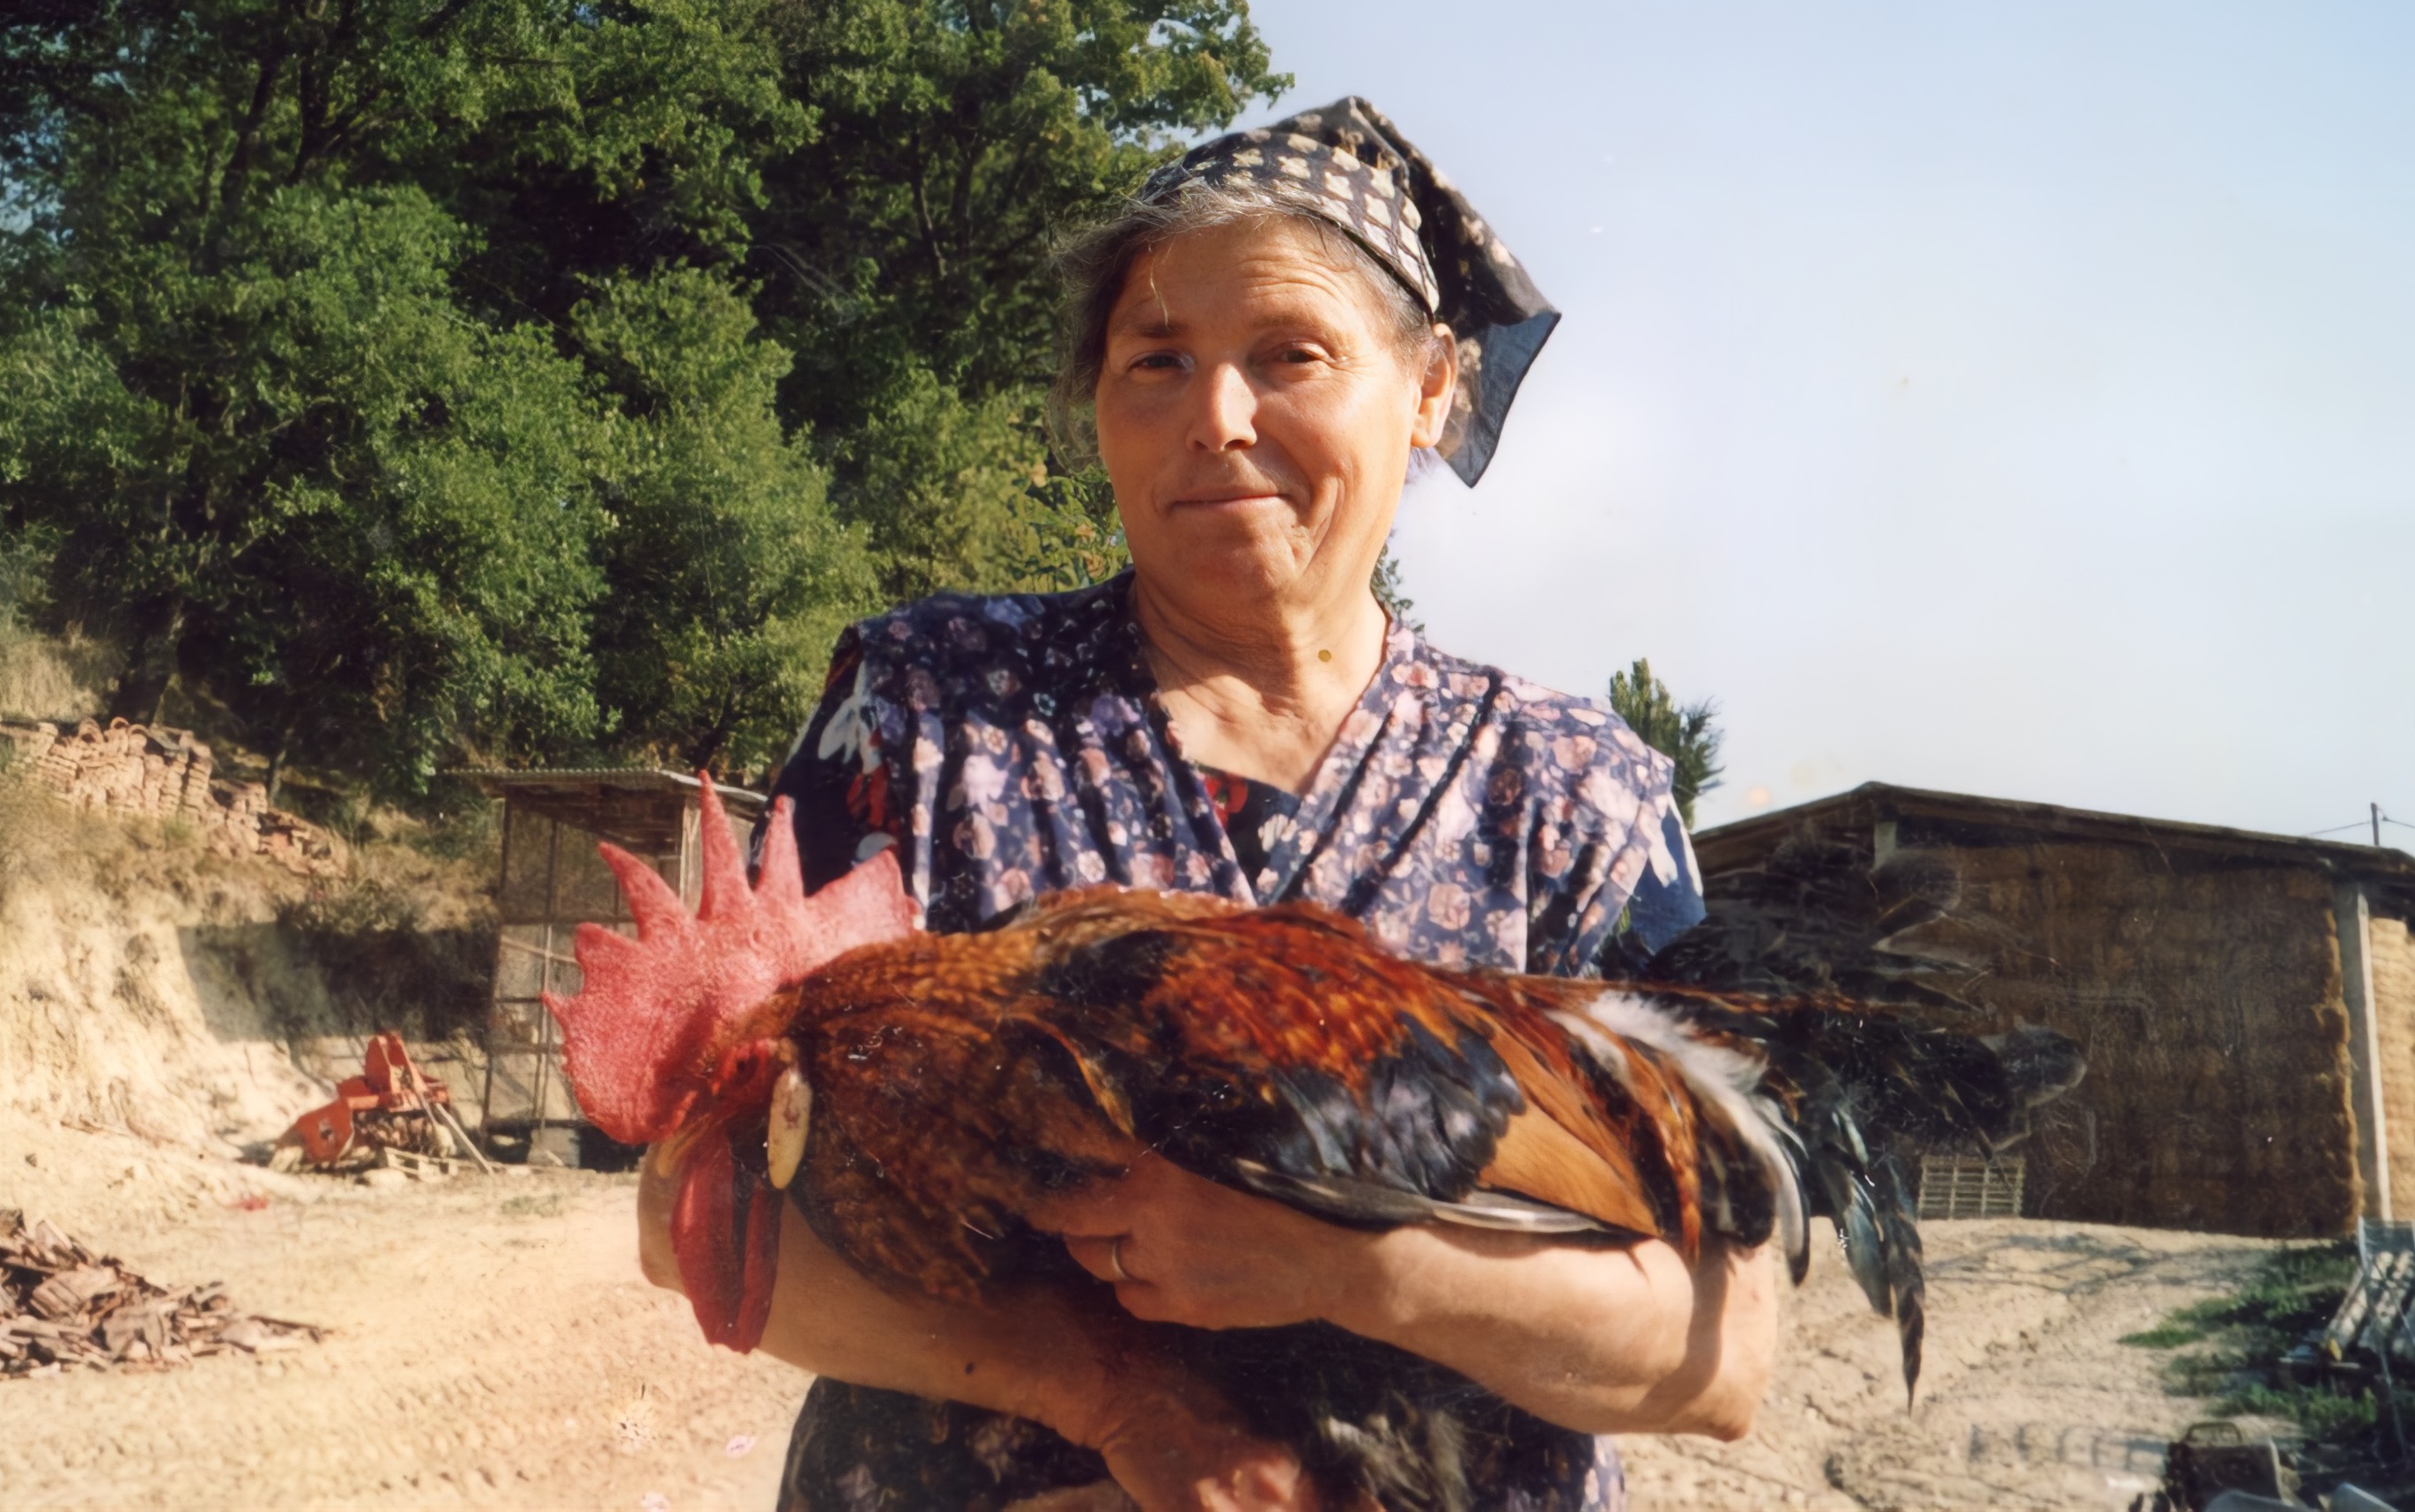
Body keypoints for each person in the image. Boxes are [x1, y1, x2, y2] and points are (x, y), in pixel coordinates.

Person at [637, 99, 1774, 1512]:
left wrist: (1352, 1265)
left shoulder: (1571, 789)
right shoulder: (924, 704)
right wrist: (1118, 1400)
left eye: (1290, 356)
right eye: (1155, 362)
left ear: (1430, 387)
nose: (1215, 420)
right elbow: (692, 1209)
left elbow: (1723, 1353)